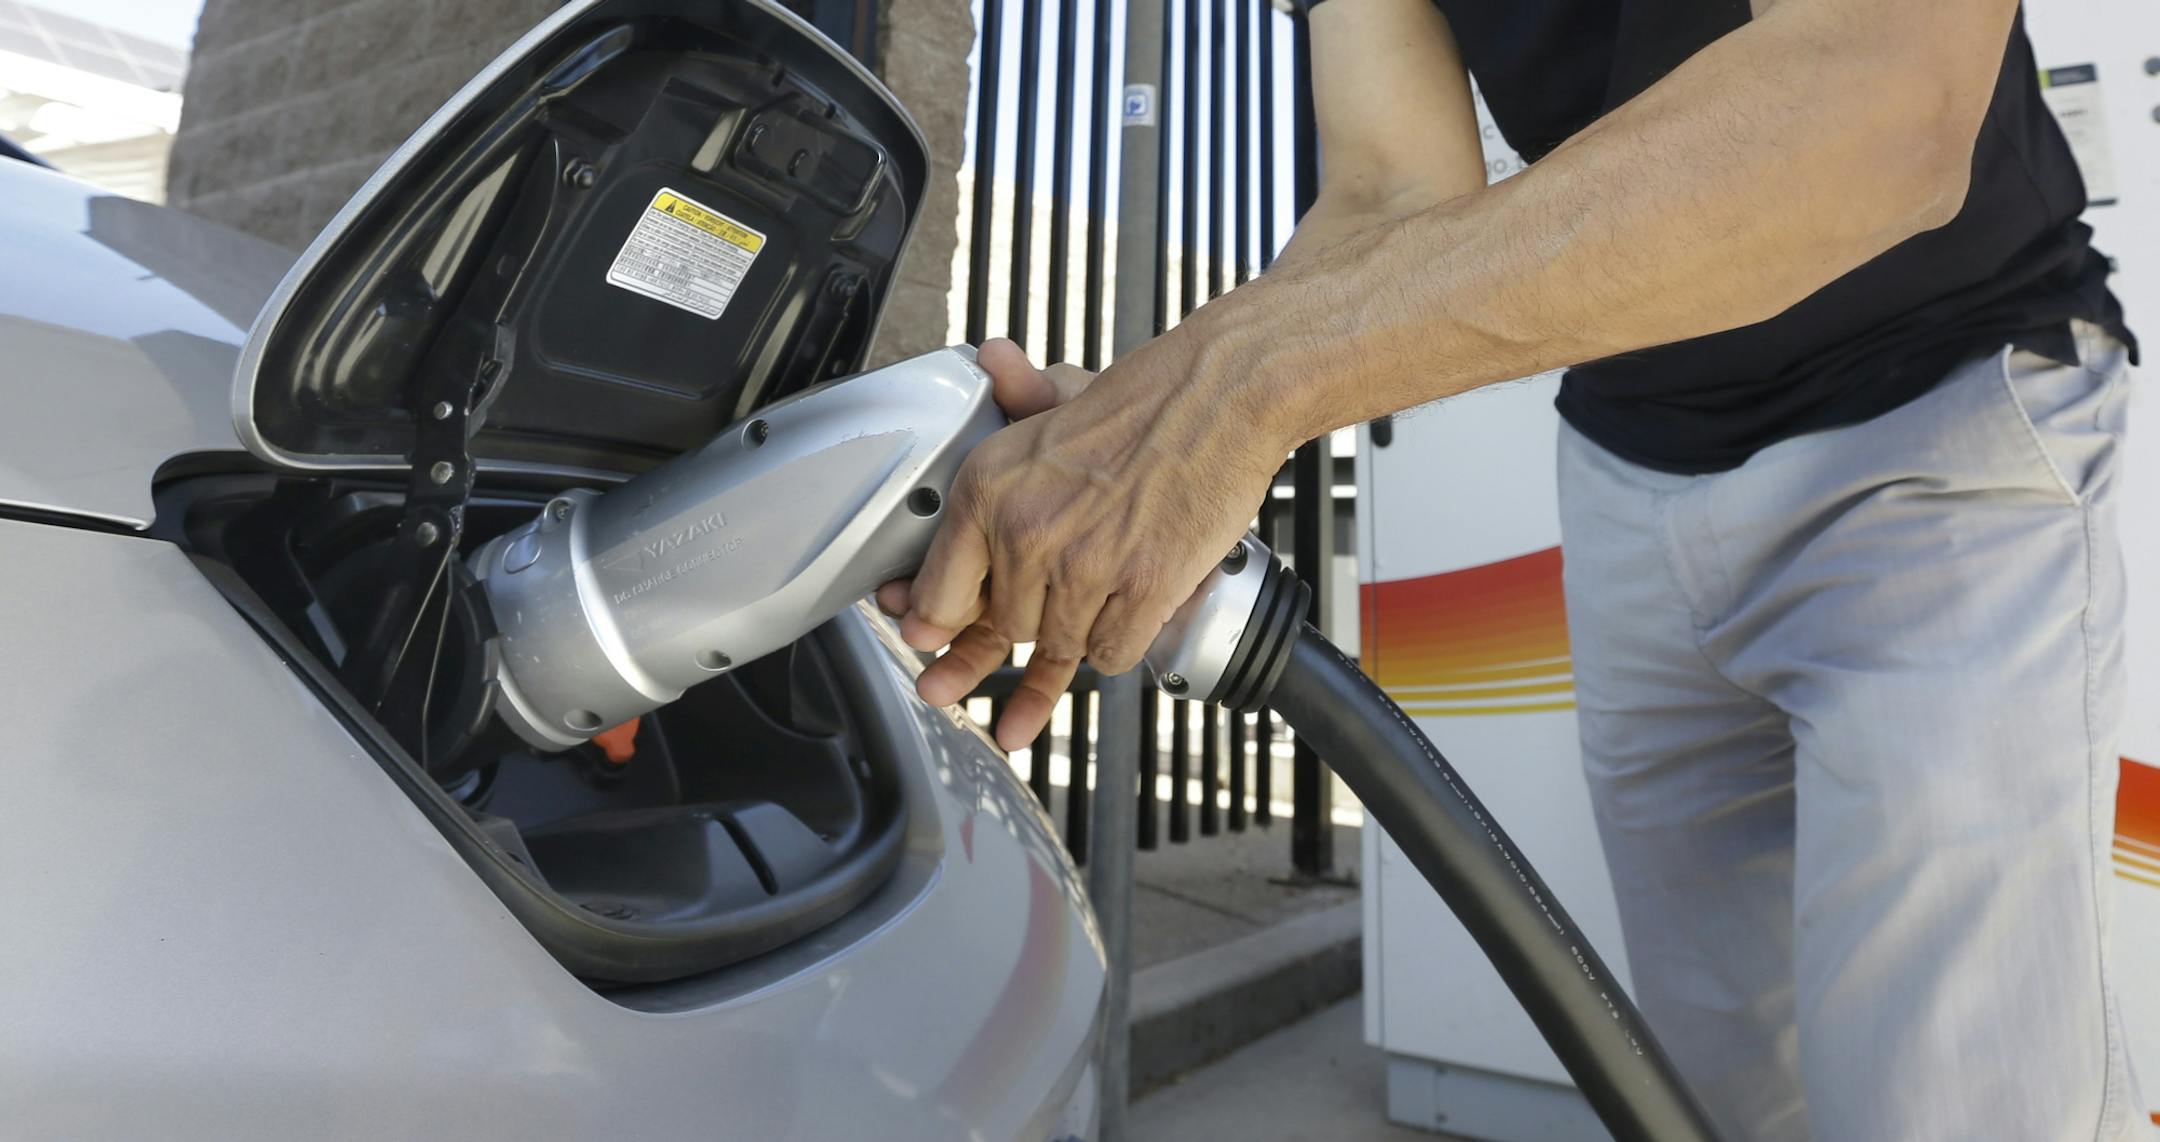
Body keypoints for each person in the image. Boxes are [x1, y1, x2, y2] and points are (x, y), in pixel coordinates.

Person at [878, 0, 2143, 1137]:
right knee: (1714, 1090)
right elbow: (1389, 196)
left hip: (1935, 419)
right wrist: (1156, 419)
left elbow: (1880, 95)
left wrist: (1237, 384)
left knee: (1952, 1098)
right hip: (1634, 472)